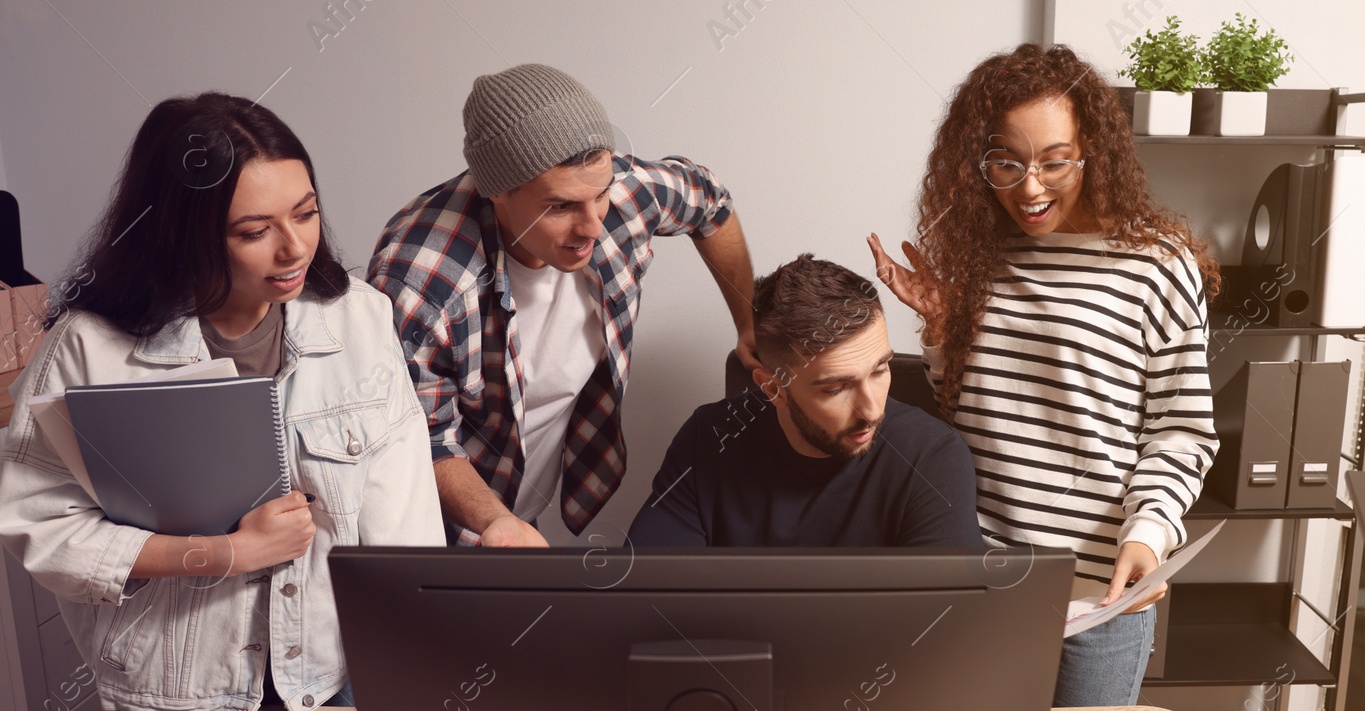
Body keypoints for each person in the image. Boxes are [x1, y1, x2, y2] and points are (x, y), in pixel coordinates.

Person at [0, 93, 445, 711]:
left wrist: (409, 668)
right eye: (254, 231)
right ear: (183, 234)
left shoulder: (359, 318)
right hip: (171, 690)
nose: (294, 249)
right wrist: (226, 554)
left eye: (307, 213)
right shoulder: (89, 348)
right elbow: (40, 528)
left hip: (327, 681)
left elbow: (404, 521)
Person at [867, 44, 1220, 706]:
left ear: (1093, 150)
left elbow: (1182, 429)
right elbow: (968, 419)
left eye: (1055, 161)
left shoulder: (1156, 266)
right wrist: (944, 332)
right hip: (987, 584)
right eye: (1006, 161)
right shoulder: (980, 255)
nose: (1029, 187)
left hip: (1101, 595)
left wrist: (1151, 530)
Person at [369, 64, 757, 547]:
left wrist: (749, 322)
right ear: (496, 192)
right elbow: (423, 441)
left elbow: (710, 204)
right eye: (560, 207)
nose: (594, 226)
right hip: (441, 519)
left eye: (600, 195)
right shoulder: (421, 279)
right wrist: (495, 522)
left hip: (529, 502)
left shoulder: (622, 192)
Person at [629, 255, 981, 547]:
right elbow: (649, 590)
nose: (872, 410)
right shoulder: (709, 438)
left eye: (878, 370)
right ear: (773, 389)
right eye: (835, 389)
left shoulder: (933, 456)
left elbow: (950, 622)